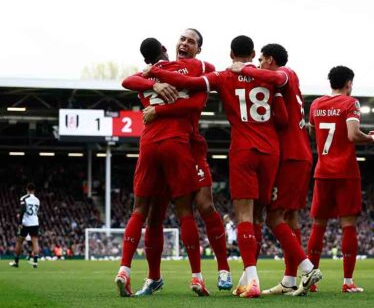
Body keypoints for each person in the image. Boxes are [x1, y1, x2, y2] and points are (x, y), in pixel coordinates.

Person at [145, 35, 322, 298]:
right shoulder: (266, 77)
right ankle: (293, 270)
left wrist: (156, 72)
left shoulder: (222, 76)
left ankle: (253, 279)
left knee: (245, 216)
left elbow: (188, 83)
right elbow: (283, 119)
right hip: (271, 151)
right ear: (252, 54)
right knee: (264, 216)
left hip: (243, 150)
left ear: (230, 54)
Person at [126, 31, 233, 294]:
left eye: (191, 42)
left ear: (198, 49)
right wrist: (153, 79)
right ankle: (153, 278)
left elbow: (195, 103)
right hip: (165, 146)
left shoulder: (202, 68)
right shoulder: (156, 72)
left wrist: (156, 92)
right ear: (171, 45)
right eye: (182, 39)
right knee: (155, 216)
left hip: (190, 145)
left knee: (204, 205)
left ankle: (223, 269)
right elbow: (128, 80)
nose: (184, 44)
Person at [116, 38, 208, 297]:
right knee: (184, 211)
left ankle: (125, 269)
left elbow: (127, 82)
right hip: (177, 144)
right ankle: (197, 277)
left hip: (148, 145)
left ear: (146, 60)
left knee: (141, 211)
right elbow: (199, 92)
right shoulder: (183, 69)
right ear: (165, 50)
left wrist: (152, 81)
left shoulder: (143, 76)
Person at [228, 43, 317, 295]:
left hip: (288, 156)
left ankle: (307, 268)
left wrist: (242, 70)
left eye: (261, 60)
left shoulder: (285, 74)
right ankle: (289, 279)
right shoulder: (291, 83)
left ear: (270, 59)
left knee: (271, 217)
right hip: (301, 154)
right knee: (291, 217)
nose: (258, 65)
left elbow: (282, 118)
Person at [307, 65, 374, 293]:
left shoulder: (316, 104)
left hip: (322, 171)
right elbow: (352, 134)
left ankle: (311, 281)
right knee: (348, 226)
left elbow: (312, 133)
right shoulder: (351, 103)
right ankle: (348, 282)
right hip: (346, 172)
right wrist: (373, 138)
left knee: (318, 225)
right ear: (349, 83)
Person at [9, 183, 40, 269]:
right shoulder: (37, 200)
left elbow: (22, 210)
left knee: (19, 241)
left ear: (27, 189)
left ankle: (16, 261)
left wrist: (19, 222)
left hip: (26, 223)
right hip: (35, 223)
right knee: (35, 242)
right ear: (34, 190)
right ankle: (35, 262)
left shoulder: (23, 198)